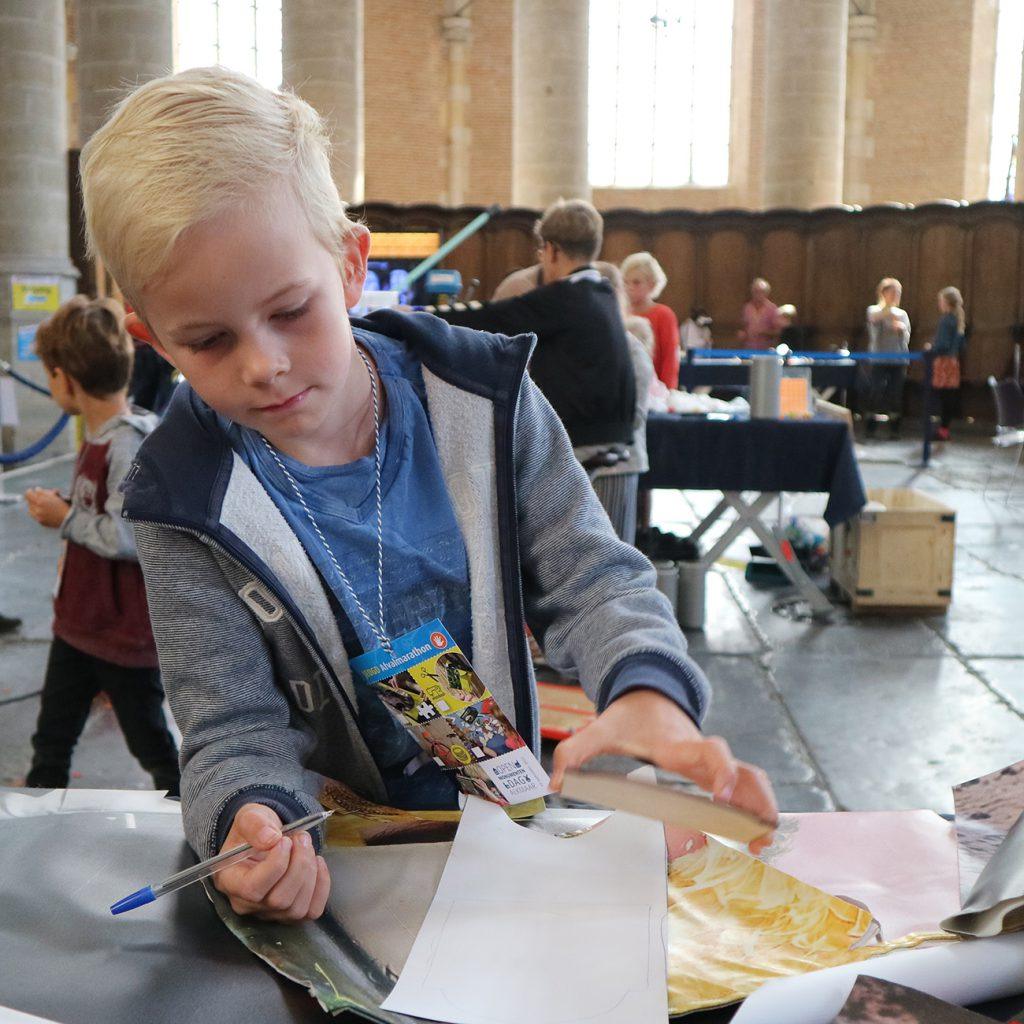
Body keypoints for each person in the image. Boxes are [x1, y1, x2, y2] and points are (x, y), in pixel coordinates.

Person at [80, 67, 776, 923]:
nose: (263, 364)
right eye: (209, 340)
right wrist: (246, 817)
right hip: (342, 873)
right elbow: (228, 724)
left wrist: (645, 696)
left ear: (348, 265)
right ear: (154, 339)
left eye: (291, 311)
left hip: (505, 839)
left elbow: (593, 579)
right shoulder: (180, 496)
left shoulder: (484, 399)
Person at [21, 295, 180, 795]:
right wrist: (70, 505)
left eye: (50, 375)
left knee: (154, 747)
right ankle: (37, 827)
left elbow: (126, 535)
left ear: (65, 377)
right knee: (51, 742)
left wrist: (65, 517)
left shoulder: (126, 442)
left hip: (120, 636)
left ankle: (202, 814)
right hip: (77, 626)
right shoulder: (98, 436)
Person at [621, 252, 679, 390]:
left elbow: (669, 359)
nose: (629, 287)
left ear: (652, 285)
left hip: (655, 389)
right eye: (625, 281)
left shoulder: (663, 314)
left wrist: (668, 391)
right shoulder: (620, 312)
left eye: (636, 282)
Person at [865, 277, 912, 439]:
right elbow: (873, 324)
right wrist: (887, 310)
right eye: (893, 292)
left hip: (898, 360)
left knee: (895, 394)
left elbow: (906, 337)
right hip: (879, 359)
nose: (896, 295)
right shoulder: (873, 310)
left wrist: (902, 329)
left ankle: (894, 429)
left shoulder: (902, 314)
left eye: (898, 293)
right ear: (883, 293)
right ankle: (870, 428)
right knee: (875, 392)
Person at [927, 286, 967, 442]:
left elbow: (942, 344)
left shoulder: (946, 319)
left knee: (941, 398)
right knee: (948, 398)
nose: (939, 304)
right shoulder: (958, 320)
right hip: (953, 362)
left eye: (941, 301)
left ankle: (939, 430)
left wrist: (931, 348)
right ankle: (944, 429)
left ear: (947, 303)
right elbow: (961, 345)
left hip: (943, 362)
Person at [738, 278, 784, 350]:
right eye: (756, 292)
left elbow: (779, 332)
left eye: (761, 292)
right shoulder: (747, 308)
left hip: (766, 349)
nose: (758, 295)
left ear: (766, 293)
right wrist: (743, 334)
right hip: (749, 348)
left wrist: (764, 332)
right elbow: (744, 326)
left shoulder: (773, 309)